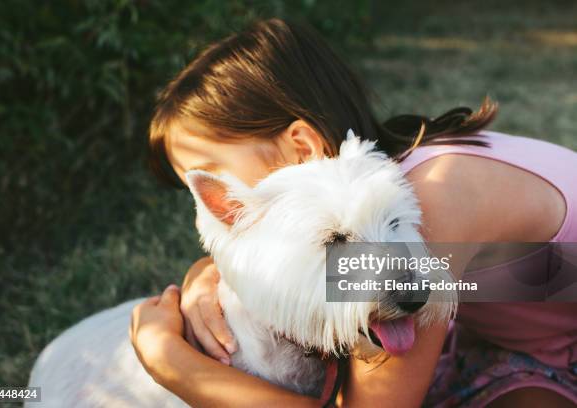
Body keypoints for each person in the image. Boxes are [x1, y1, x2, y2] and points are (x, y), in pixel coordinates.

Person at [129, 18, 577, 407]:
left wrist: (170, 363)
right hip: (516, 355)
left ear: (302, 149)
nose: (210, 207)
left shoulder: (430, 201)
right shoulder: (385, 184)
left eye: (211, 176)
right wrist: (204, 275)